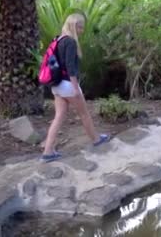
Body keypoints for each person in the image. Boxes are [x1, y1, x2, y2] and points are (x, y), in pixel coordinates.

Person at [41, 13, 110, 162]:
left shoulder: (58, 40)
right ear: (73, 25)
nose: (82, 30)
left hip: (56, 86)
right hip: (67, 85)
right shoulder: (70, 42)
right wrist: (76, 89)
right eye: (80, 27)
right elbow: (70, 67)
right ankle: (96, 139)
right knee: (84, 113)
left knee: (58, 117)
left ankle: (47, 152)